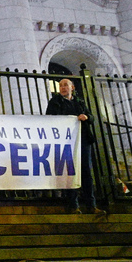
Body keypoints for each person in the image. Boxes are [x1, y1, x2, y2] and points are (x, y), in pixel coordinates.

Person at [46, 79, 106, 215]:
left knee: (86, 172)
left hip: (82, 140)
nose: (63, 88)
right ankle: (73, 205)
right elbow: (49, 118)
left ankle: (91, 205)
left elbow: (91, 117)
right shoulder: (55, 102)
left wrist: (86, 117)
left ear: (72, 87)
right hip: (65, 142)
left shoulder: (79, 102)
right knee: (69, 172)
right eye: (60, 85)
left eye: (65, 85)